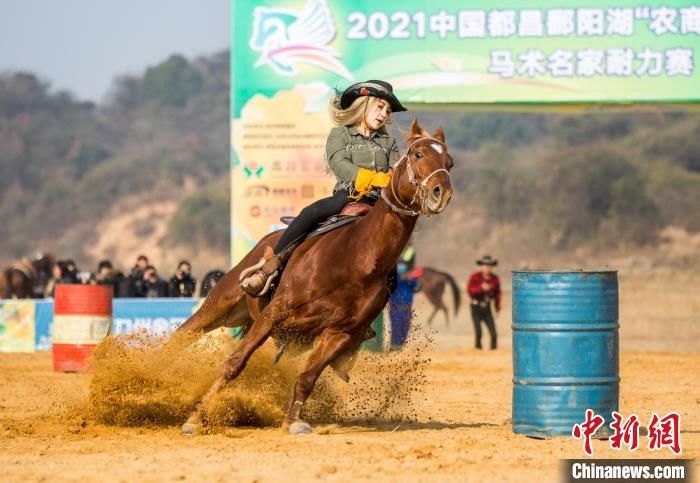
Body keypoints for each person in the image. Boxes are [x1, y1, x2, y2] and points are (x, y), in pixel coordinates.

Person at [240, 80, 407, 296]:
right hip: (348, 195)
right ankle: (269, 267)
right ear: (363, 105)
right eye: (380, 107)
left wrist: (394, 179)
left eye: (388, 110)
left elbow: (395, 172)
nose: (384, 114)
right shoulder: (340, 134)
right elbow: (339, 164)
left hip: (380, 204)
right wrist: (372, 178)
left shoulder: (389, 143)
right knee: (313, 212)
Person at [389, 243, 419, 349]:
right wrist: (402, 277)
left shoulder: (410, 277)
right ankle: (394, 348)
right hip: (396, 306)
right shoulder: (394, 277)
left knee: (405, 327)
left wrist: (410, 278)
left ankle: (400, 347)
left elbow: (417, 287)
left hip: (407, 307)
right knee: (396, 328)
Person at [467, 255, 501, 350]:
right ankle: (478, 350)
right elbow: (470, 291)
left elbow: (498, 294)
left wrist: (497, 308)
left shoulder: (495, 279)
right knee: (479, 332)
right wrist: (481, 288)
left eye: (489, 265)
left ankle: (493, 351)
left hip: (487, 307)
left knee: (494, 333)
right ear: (481, 266)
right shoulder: (475, 277)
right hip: (476, 306)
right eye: (485, 265)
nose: (487, 268)